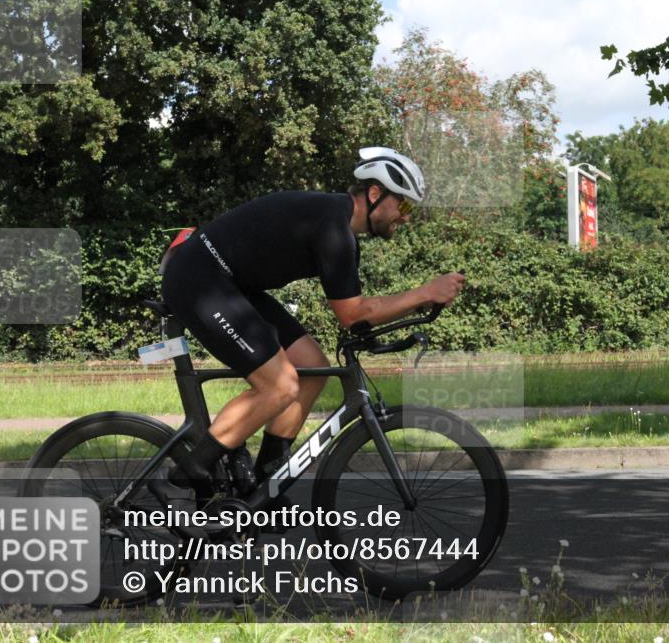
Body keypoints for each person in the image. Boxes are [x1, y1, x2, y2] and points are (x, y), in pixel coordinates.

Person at [160, 147, 464, 499]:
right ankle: (182, 477)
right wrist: (425, 292)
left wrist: (410, 307)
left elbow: (356, 318)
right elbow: (355, 313)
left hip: (234, 286)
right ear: (376, 193)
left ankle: (264, 484)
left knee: (312, 366)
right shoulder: (332, 227)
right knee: (280, 385)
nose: (406, 217)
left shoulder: (340, 230)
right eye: (405, 206)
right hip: (200, 279)